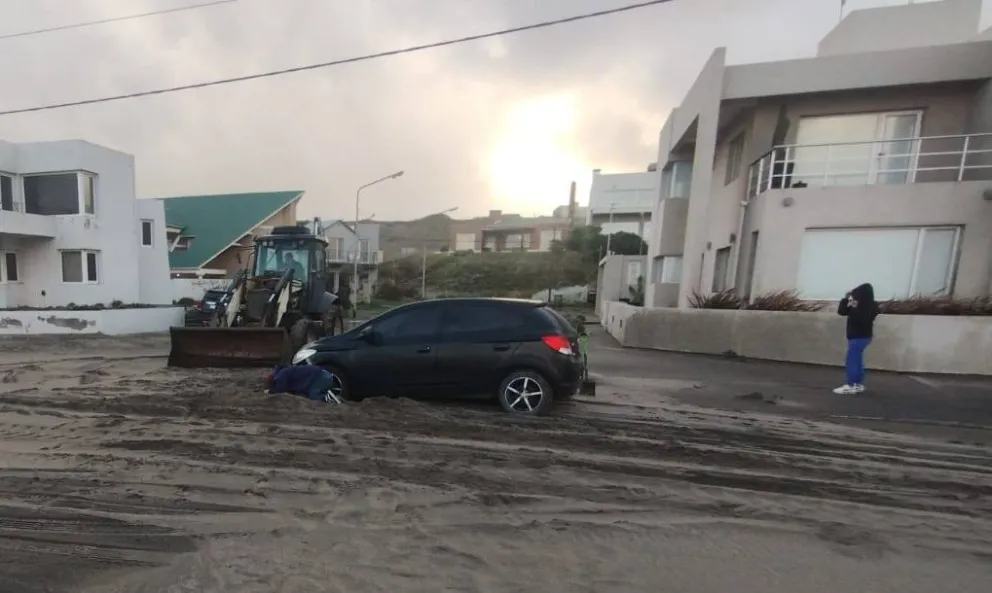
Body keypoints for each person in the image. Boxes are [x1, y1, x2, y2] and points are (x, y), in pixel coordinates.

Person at [834, 283, 880, 395]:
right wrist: (845, 299)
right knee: (857, 360)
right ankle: (857, 384)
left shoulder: (871, 306)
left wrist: (855, 306)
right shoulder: (857, 305)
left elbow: (862, 319)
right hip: (856, 336)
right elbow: (842, 312)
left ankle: (852, 384)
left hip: (861, 336)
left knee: (852, 360)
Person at [264, 365, 336, 402]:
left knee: (314, 395)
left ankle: (329, 398)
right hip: (323, 375)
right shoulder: (282, 372)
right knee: (310, 393)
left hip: (321, 377)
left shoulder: (281, 376)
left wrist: (270, 391)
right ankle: (328, 393)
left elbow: (280, 389)